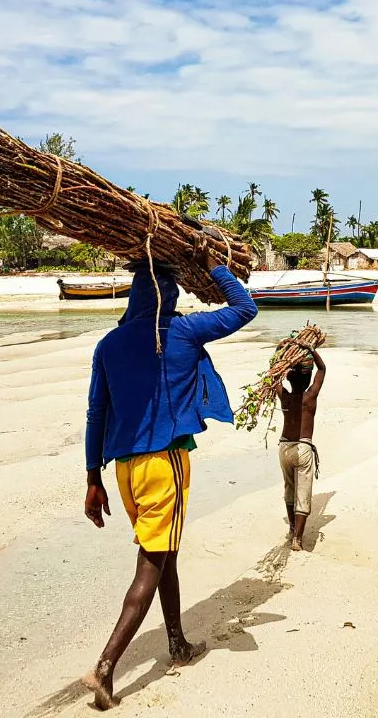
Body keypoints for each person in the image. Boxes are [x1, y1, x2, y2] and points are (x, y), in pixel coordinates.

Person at [81, 238, 257, 710]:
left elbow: (96, 413)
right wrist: (213, 264)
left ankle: (177, 644)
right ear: (170, 296)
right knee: (151, 565)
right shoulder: (181, 332)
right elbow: (245, 308)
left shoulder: (109, 344)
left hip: (122, 469)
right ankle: (105, 669)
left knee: (165, 552)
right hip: (166, 464)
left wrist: (92, 479)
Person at [277, 345, 326, 551]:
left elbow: (272, 377)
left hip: (284, 447)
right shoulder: (310, 397)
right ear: (307, 380)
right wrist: (310, 349)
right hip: (303, 449)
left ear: (289, 379)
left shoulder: (285, 397)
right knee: (303, 493)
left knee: (290, 489)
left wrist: (282, 355)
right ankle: (297, 538)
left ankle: (291, 529)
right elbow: (322, 370)